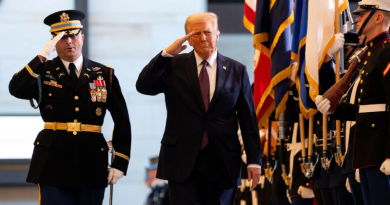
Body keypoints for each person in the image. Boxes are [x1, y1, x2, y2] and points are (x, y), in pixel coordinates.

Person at [136, 12, 262, 205]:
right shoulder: (173, 65)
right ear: (188, 38)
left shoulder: (237, 70)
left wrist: (254, 161)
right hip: (182, 161)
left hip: (223, 162)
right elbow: (143, 86)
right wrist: (166, 54)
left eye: (208, 32)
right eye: (196, 34)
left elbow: (248, 121)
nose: (203, 38)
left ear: (217, 35)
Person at [8, 10, 131, 205]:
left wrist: (120, 163)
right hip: (52, 161)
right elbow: (15, 89)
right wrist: (40, 57)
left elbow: (122, 120)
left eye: (73, 35)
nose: (69, 42)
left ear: (81, 37)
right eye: (62, 37)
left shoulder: (104, 74)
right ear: (54, 43)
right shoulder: (42, 71)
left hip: (91, 160)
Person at [316, 0, 390, 204]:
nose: (357, 18)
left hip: (378, 150)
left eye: (363, 14)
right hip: (364, 150)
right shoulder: (368, 55)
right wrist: (334, 109)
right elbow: (364, 109)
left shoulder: (386, 51)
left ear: (378, 17)